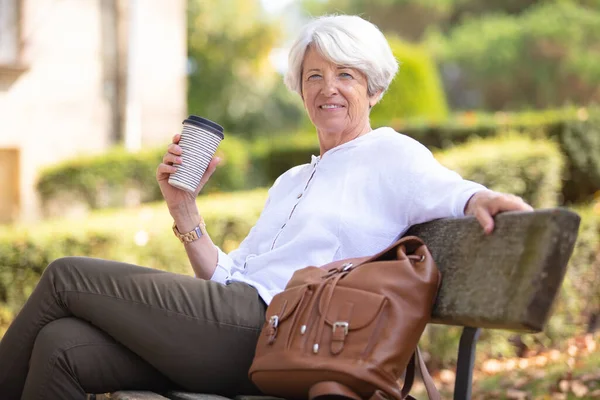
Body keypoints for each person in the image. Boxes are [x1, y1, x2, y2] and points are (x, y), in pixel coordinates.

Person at [0, 15, 533, 399]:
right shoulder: (292, 180)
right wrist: (183, 208)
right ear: (300, 90)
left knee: (68, 276)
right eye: (314, 76)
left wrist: (482, 198)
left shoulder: (390, 154)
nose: (328, 88)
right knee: (61, 346)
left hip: (275, 334)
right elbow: (229, 275)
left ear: (372, 88)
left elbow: (448, 189)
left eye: (345, 75)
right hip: (231, 324)